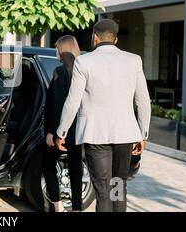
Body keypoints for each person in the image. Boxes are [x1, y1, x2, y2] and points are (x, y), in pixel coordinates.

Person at [55, 19, 151, 212]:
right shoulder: (134, 60)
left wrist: (61, 131)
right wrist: (143, 134)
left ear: (95, 37)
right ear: (115, 39)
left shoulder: (84, 61)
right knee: (118, 186)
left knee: (103, 190)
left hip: (95, 134)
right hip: (125, 134)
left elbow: (73, 101)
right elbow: (143, 100)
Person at [42, 35, 83, 212]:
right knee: (76, 171)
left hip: (62, 131)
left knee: (47, 165)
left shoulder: (60, 71)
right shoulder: (83, 70)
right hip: (79, 131)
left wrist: (52, 131)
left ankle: (58, 205)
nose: (55, 52)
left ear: (63, 49)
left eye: (57, 48)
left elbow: (58, 104)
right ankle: (77, 208)